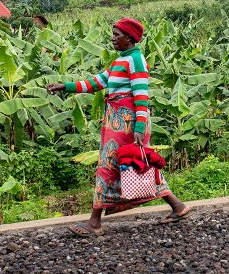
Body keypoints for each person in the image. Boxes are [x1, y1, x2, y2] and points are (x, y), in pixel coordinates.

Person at [46, 17, 191, 236]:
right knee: (137, 164)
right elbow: (96, 83)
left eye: (117, 35)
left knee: (109, 166)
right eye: (113, 34)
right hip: (116, 122)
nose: (112, 38)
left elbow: (142, 96)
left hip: (128, 123)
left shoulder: (136, 60)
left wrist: (139, 128)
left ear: (129, 38)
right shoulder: (120, 61)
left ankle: (94, 223)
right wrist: (64, 86)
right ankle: (178, 207)